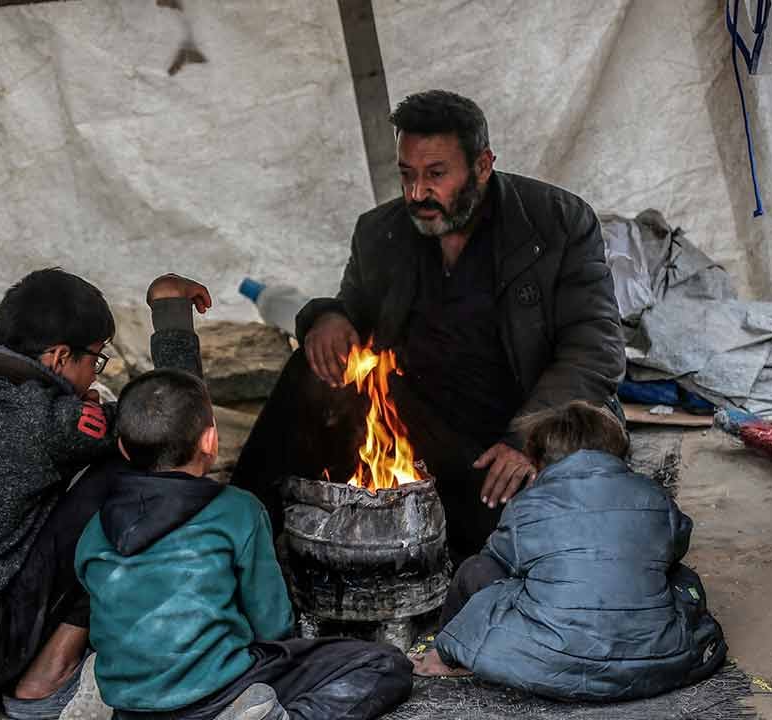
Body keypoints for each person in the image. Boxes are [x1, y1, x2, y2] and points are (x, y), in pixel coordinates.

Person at [232, 89, 625, 558]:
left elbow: (594, 349)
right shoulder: (382, 231)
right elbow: (353, 306)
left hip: (518, 422)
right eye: (407, 174)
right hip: (421, 419)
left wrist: (524, 438)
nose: (417, 193)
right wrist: (328, 318)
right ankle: (242, 525)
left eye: (436, 175)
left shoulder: (557, 222)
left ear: (482, 166)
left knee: (514, 539)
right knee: (309, 369)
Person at [0, 269, 211, 720]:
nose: (93, 376)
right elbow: (173, 419)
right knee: (131, 468)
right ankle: (47, 675)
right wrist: (169, 310)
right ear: (59, 356)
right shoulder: (44, 422)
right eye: (95, 360)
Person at [75, 368, 413, 720]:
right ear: (210, 441)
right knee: (385, 664)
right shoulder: (237, 509)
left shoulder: (95, 527)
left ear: (122, 448)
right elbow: (274, 625)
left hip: (131, 702)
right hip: (219, 692)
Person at [409, 400, 727, 702]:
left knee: (477, 570)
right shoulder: (655, 497)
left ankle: (446, 656)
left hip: (549, 663)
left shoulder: (527, 506)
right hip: (660, 661)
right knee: (682, 577)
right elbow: (677, 544)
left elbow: (498, 561)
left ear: (537, 461)